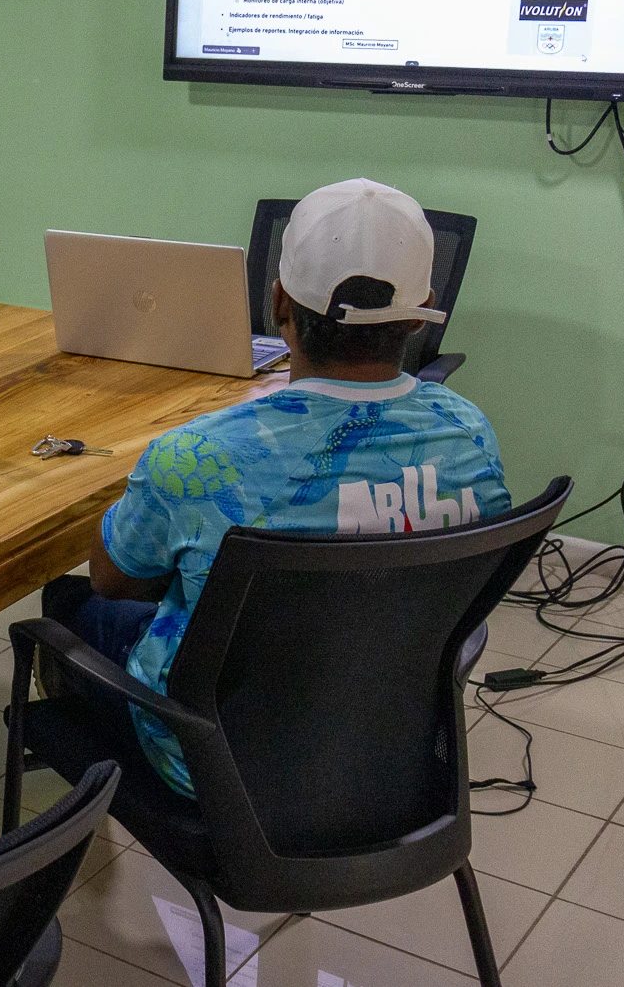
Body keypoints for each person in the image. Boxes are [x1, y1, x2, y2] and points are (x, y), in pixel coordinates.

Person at [39, 178, 511, 797]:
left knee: (71, 607)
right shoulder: (470, 437)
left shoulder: (195, 459)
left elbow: (115, 581)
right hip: (393, 748)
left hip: (216, 768)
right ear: (420, 309)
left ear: (280, 304)